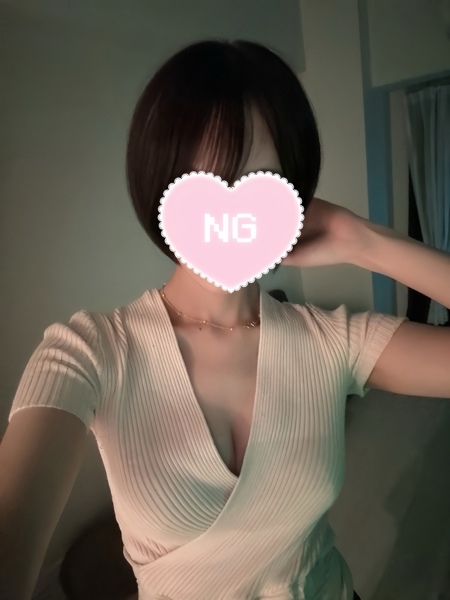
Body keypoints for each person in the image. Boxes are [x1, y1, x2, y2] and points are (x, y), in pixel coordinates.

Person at [2, 38, 409, 600]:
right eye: (204, 182)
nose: (230, 212)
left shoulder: (334, 339)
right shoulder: (88, 351)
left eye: (258, 181)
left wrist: (362, 240)